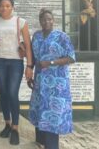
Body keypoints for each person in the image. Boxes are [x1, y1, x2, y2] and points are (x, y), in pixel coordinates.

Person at [29, 9, 75, 149]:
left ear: (53, 20)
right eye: (44, 19)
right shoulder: (36, 36)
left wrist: (51, 63)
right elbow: (33, 56)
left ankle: (52, 146)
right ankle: (40, 141)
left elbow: (71, 58)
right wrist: (31, 74)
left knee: (52, 112)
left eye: (49, 19)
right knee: (39, 108)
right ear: (40, 21)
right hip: (40, 79)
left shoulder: (62, 37)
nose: (46, 22)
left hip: (57, 82)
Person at [0, 0, 33, 145]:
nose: (4, 8)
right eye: (2, 6)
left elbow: (28, 45)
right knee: (3, 93)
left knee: (12, 93)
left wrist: (29, 66)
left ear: (12, 7)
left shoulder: (20, 22)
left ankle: (16, 128)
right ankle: (7, 124)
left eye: (7, 6)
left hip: (15, 62)